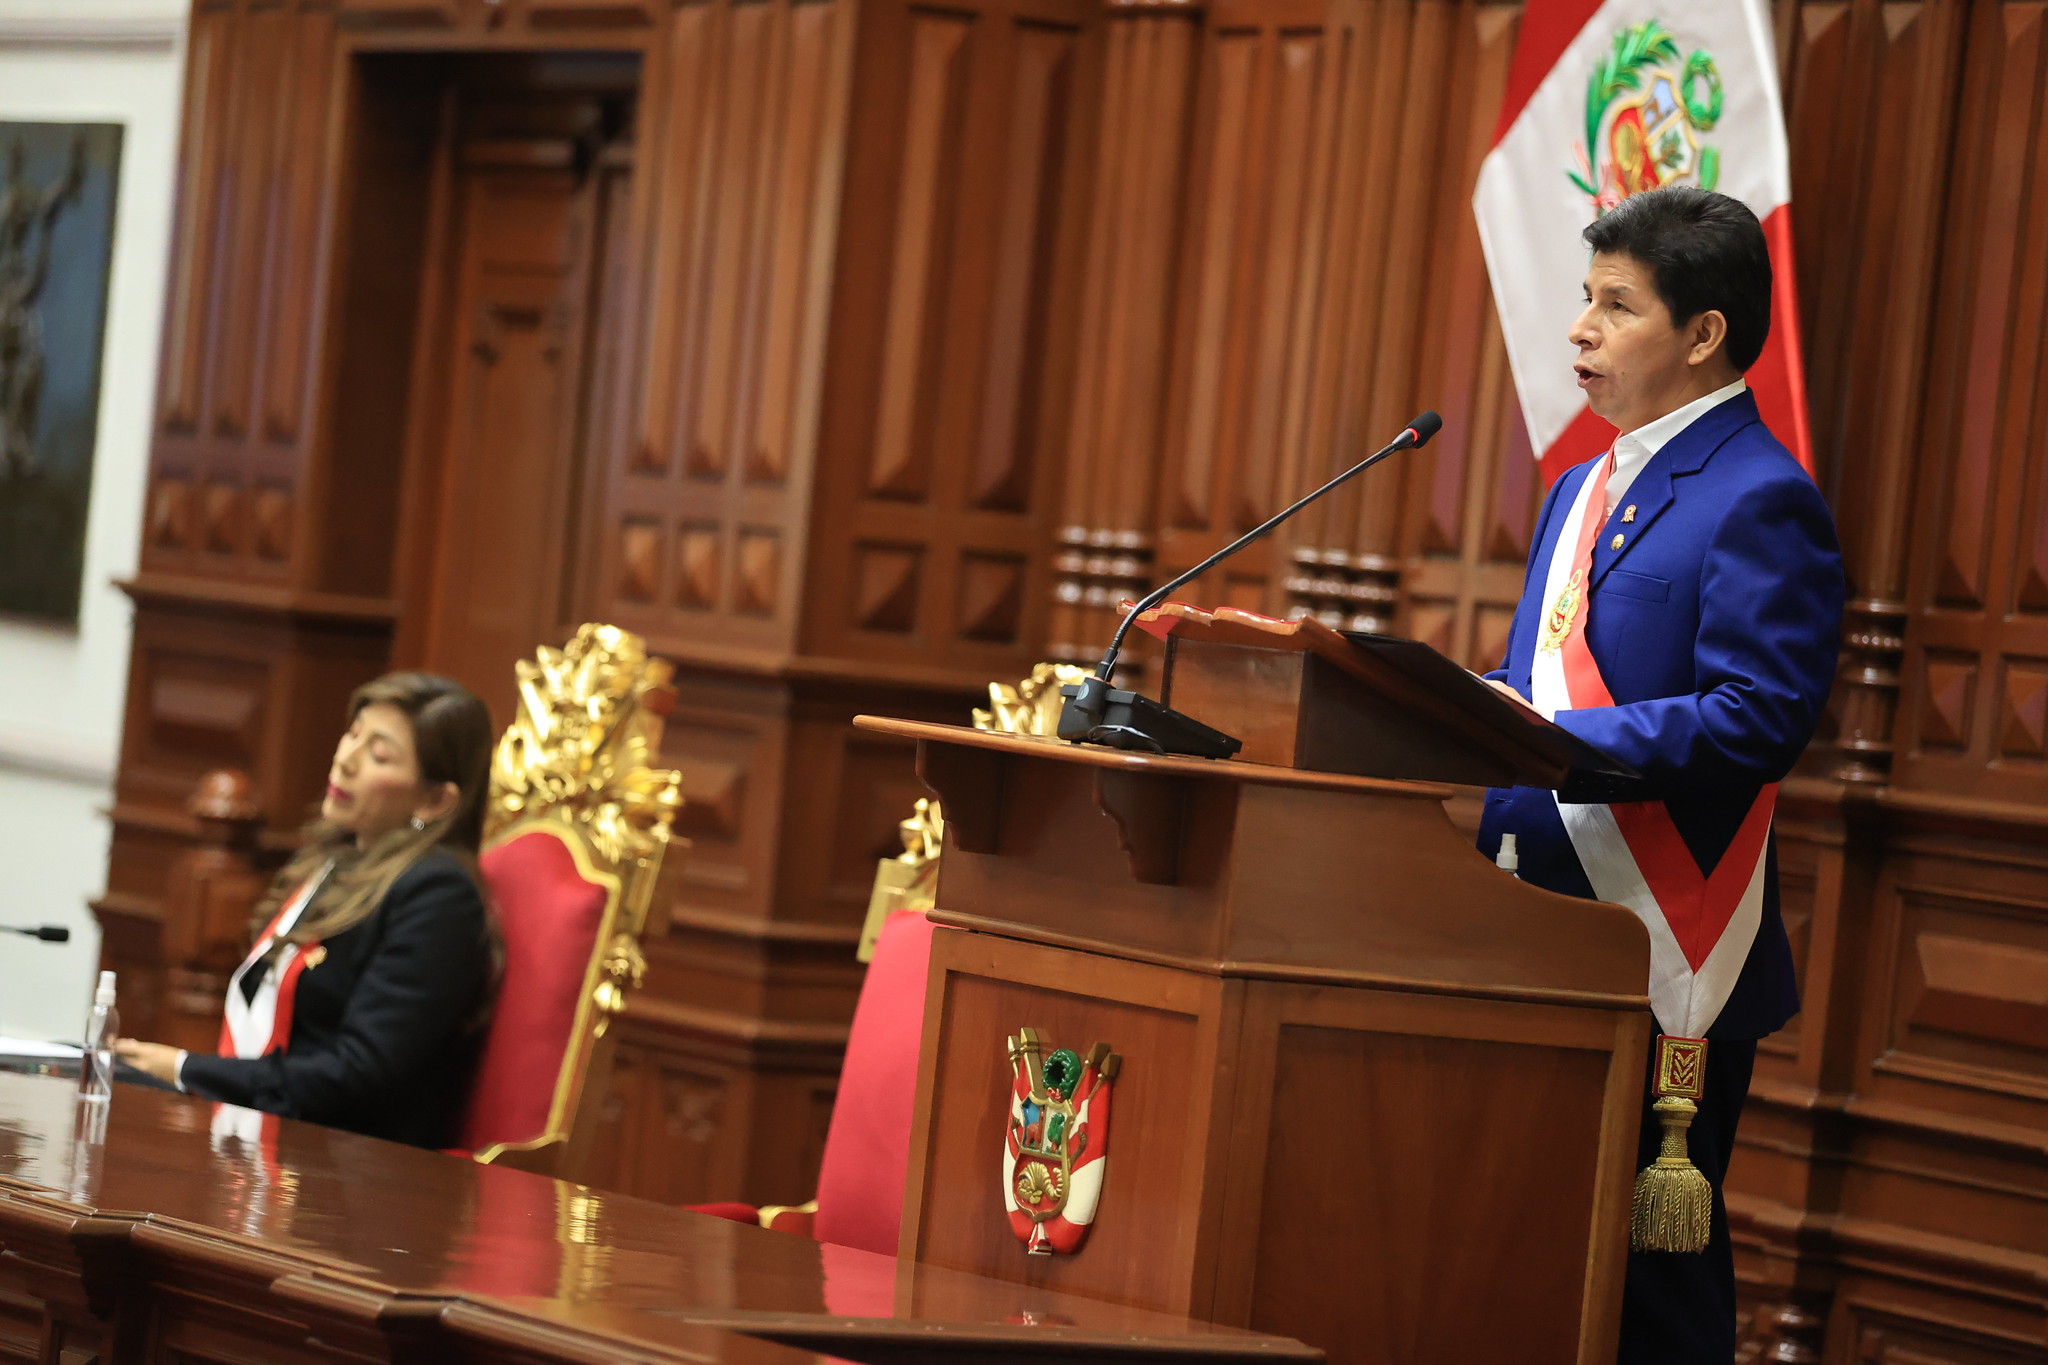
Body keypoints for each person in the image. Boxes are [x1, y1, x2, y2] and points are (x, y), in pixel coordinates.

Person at [1476, 187, 1844, 1363]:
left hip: (1655, 945)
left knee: (1645, 1298)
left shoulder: (1761, 498)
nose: (1578, 330)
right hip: (1520, 924)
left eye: (1614, 306)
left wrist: (1557, 745)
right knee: (1513, 1262)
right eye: (1583, 300)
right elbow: (1524, 680)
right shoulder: (1576, 492)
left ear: (1702, 335)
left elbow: (1759, 718)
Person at [117, 672, 500, 1150]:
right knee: (82, 1072)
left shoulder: (439, 896)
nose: (345, 760)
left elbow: (358, 1076)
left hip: (340, 1173)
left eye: (379, 754)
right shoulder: (338, 861)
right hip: (271, 1134)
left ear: (436, 799)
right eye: (354, 733)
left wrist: (184, 1069)